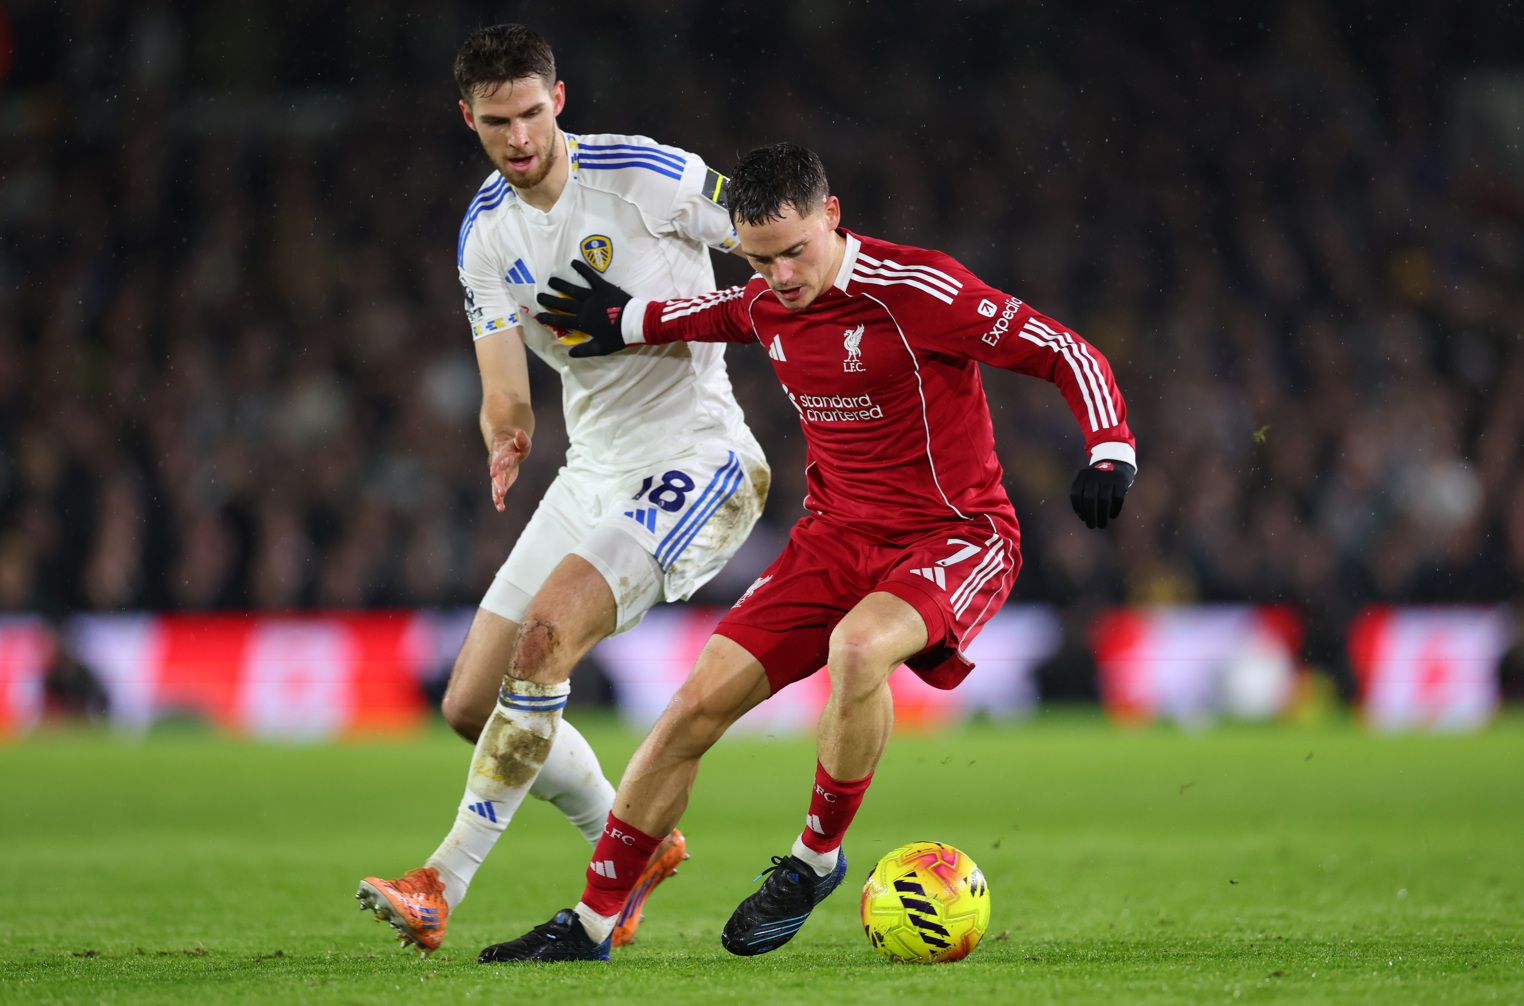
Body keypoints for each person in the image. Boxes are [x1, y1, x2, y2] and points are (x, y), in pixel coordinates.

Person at [474, 142, 1136, 963]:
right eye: (760, 259)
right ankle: (590, 923)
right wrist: (622, 319)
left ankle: (815, 860)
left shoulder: (919, 289)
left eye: (794, 251)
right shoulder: (767, 300)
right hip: (831, 541)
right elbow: (710, 312)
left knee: (857, 648)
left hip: (954, 535)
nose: (781, 276)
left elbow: (1066, 350)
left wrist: (1110, 449)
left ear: (832, 215)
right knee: (690, 710)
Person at [354, 24, 770, 955]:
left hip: (701, 458)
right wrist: (506, 431)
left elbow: (780, 252)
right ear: (466, 118)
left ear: (560, 100)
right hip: (594, 469)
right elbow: (504, 385)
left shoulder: (649, 175)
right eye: (496, 121)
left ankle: (440, 881)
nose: (518, 138)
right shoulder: (484, 232)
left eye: (532, 114)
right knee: (470, 704)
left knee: (545, 641)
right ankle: (636, 843)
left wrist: (651, 318)